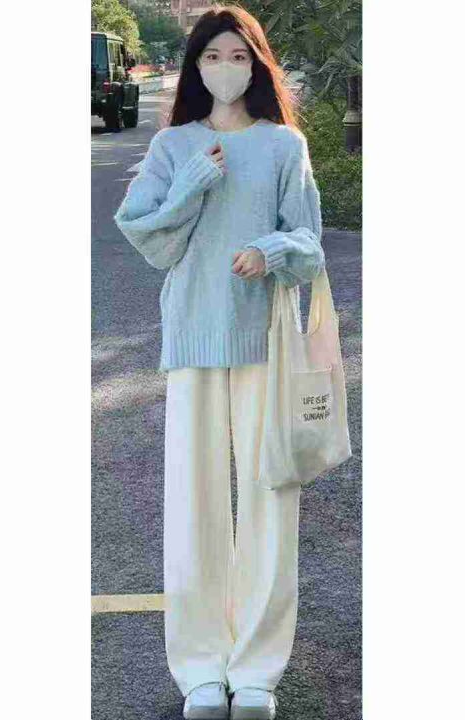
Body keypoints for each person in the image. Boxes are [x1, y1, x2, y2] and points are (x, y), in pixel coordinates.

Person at [113, 6, 325, 719]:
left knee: (270, 501)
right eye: (212, 56)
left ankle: (257, 670)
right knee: (195, 505)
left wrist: (270, 250)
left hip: (265, 337)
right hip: (194, 337)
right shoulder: (173, 145)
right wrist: (191, 184)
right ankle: (201, 669)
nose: (225, 68)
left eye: (239, 56)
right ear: (194, 66)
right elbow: (148, 237)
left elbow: (309, 243)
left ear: (256, 65)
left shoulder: (283, 145)